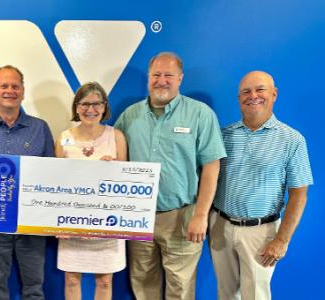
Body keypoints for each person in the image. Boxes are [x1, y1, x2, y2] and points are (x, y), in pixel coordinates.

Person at [114, 51, 226, 300]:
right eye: (156, 75)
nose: (161, 80)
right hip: (138, 217)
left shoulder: (200, 114)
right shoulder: (129, 116)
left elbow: (212, 167)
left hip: (183, 217)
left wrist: (200, 215)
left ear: (180, 79)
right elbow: (115, 161)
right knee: (143, 284)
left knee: (181, 288)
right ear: (148, 78)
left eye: (168, 75)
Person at [209, 71, 313, 300]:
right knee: (225, 294)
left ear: (274, 94)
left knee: (256, 296)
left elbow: (299, 195)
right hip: (220, 225)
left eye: (260, 90)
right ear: (239, 99)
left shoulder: (292, 140)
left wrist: (282, 240)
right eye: (246, 92)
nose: (253, 96)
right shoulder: (223, 135)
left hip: (261, 233)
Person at [0, 65, 54, 300]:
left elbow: (52, 172)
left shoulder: (40, 128)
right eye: (4, 86)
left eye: (15, 86)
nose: (10, 90)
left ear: (23, 91)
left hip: (32, 218)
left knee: (34, 285)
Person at [55, 82, 127, 300]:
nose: (91, 109)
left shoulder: (116, 137)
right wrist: (57, 222)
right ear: (76, 107)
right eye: (84, 104)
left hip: (107, 222)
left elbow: (127, 182)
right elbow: (54, 184)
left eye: (97, 104)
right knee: (72, 279)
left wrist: (113, 169)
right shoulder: (64, 138)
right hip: (72, 222)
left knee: (105, 281)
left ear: (104, 107)